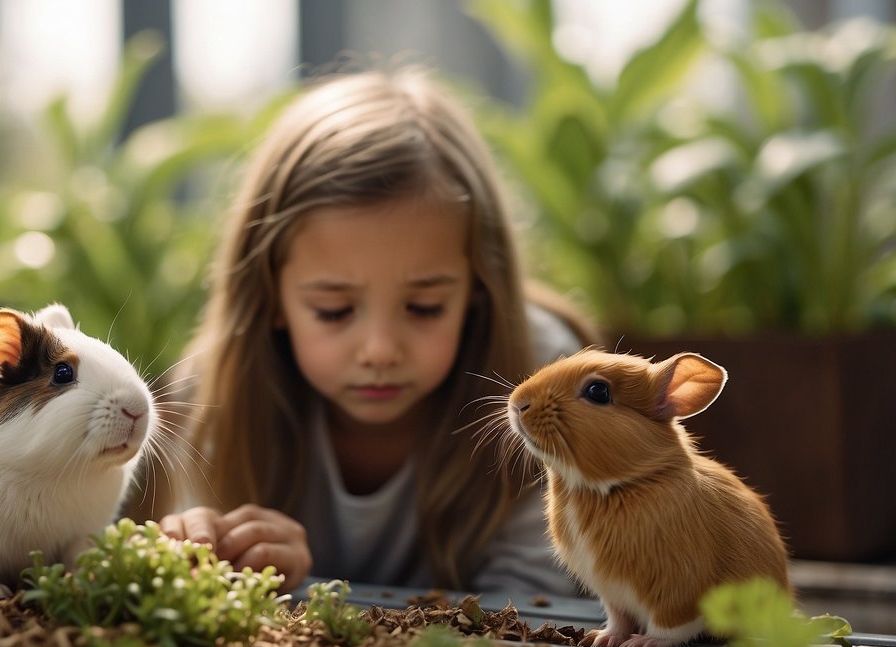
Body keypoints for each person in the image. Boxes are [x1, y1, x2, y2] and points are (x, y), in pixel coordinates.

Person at [149, 66, 600, 600]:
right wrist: (235, 560)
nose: (380, 350)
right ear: (270, 297)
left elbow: (534, 608)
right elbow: (210, 598)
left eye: (425, 307)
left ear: (478, 290)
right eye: (335, 311)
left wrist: (314, 593)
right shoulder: (213, 391)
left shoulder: (543, 379)